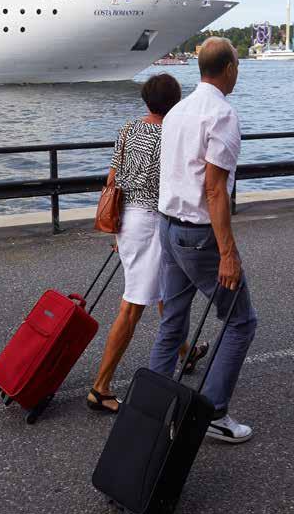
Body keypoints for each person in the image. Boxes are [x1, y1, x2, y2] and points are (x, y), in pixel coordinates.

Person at [149, 37, 257, 443]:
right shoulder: (221, 114)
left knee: (173, 322)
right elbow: (215, 190)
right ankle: (213, 412)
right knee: (240, 320)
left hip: (169, 226)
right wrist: (228, 252)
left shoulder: (178, 111)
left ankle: (154, 409)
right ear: (229, 68)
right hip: (198, 236)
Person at [87, 73, 209, 414]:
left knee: (162, 290)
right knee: (132, 307)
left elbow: (113, 178)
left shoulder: (128, 129)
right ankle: (100, 387)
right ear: (175, 102)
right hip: (152, 221)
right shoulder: (171, 134)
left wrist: (118, 230)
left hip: (127, 218)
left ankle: (184, 353)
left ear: (145, 100)